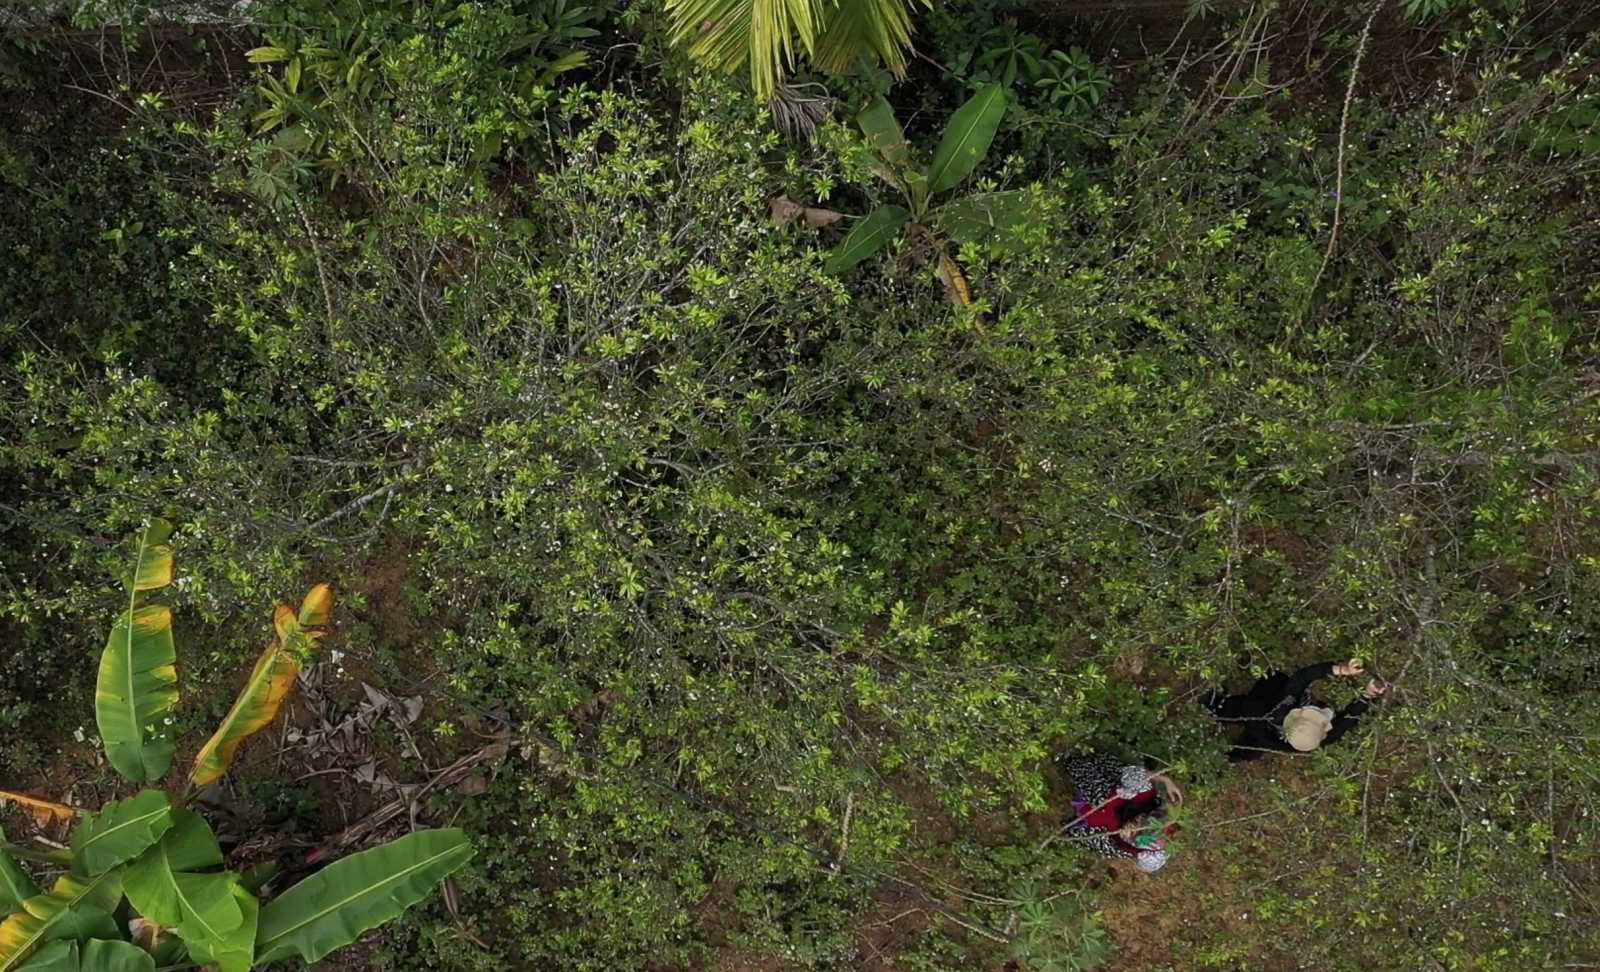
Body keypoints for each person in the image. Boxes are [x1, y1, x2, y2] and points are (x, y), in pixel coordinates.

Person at [1207, 656, 1387, 761]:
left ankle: (1217, 708)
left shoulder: (1286, 703)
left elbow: (1302, 678)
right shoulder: (1316, 739)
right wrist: (1368, 695)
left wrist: (1341, 670)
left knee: (1241, 709)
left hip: (1256, 714)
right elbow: (1347, 720)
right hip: (1265, 736)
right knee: (1253, 748)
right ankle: (1230, 756)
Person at [1062, 752, 1183, 872]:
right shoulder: (1142, 796)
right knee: (1100, 793)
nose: (1136, 825)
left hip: (1106, 829)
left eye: (1135, 834)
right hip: (1111, 791)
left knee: (1078, 831)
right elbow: (1137, 778)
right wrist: (1166, 780)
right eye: (1143, 820)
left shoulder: (1122, 845)